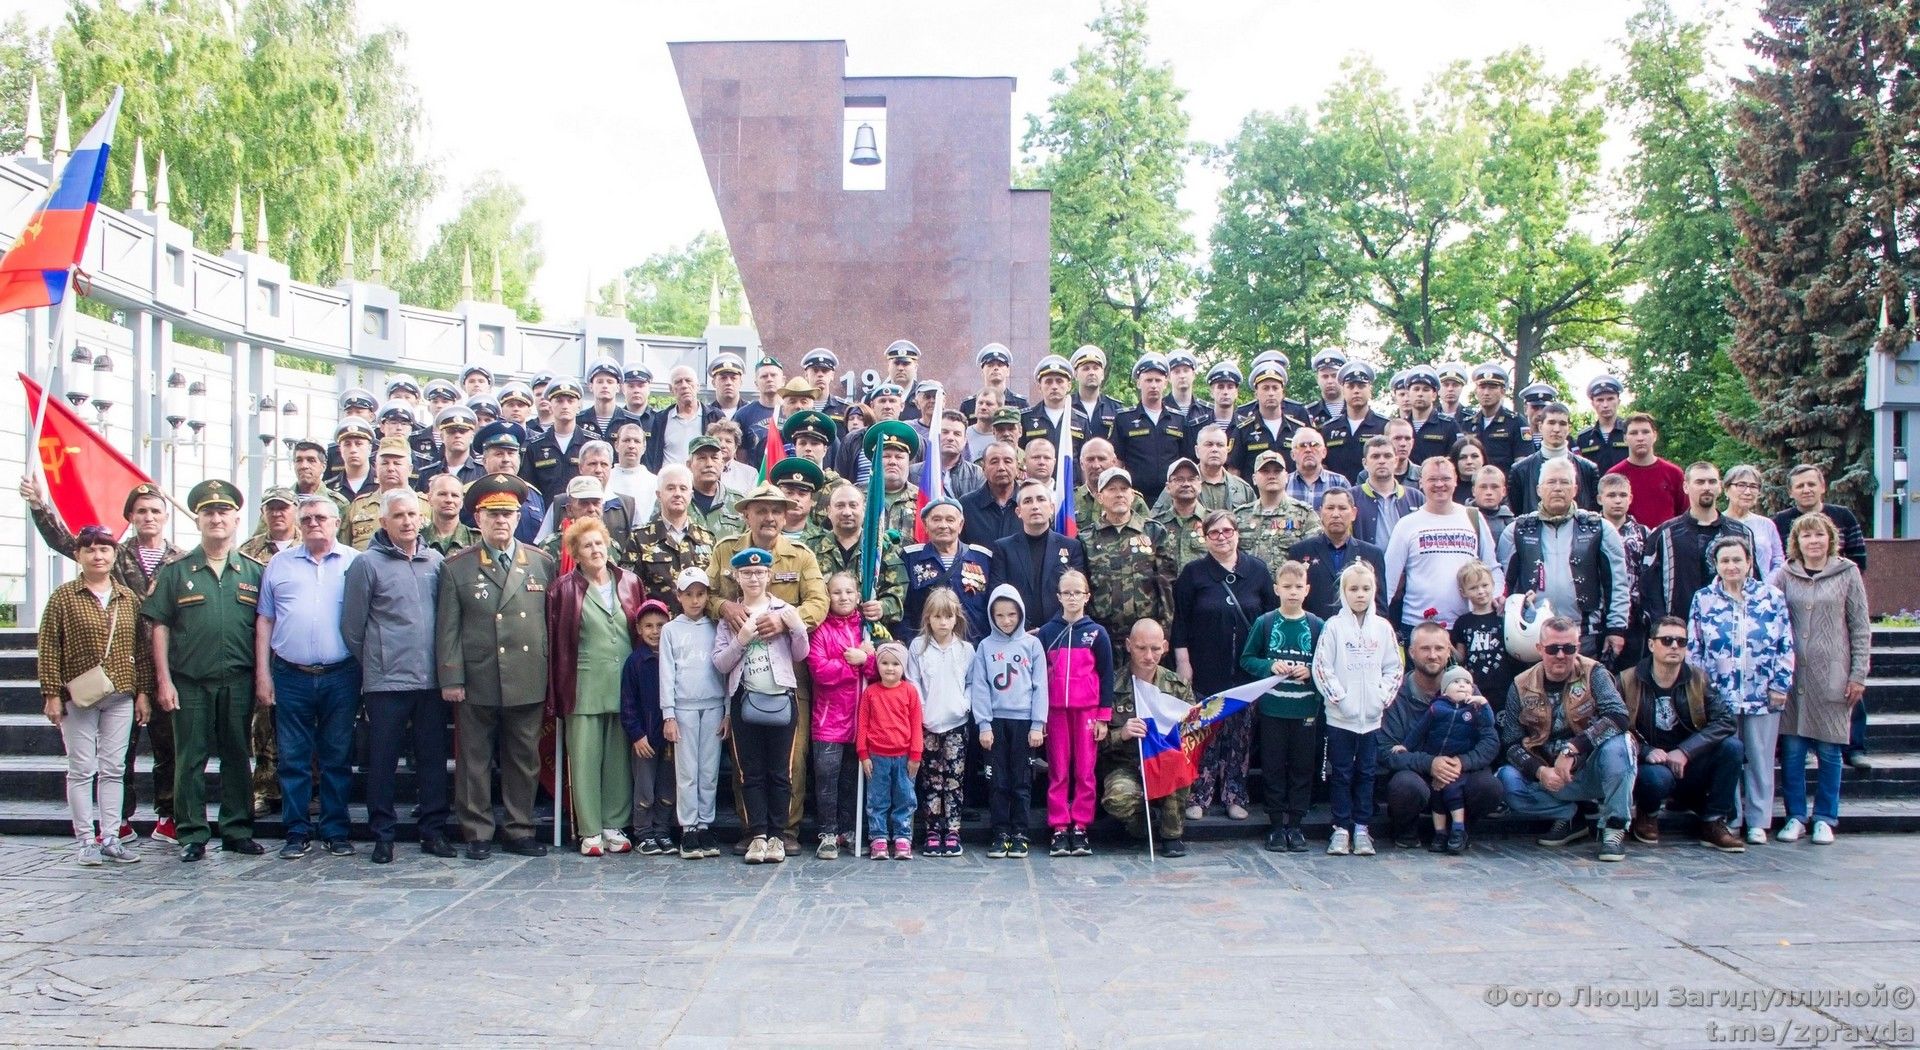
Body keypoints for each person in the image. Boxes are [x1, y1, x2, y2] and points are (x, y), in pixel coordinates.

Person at [22, 476, 184, 843]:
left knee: (168, 746)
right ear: (130, 516)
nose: (148, 517)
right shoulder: (113, 552)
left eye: (155, 511)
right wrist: (39, 506)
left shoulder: (181, 560)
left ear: (166, 516)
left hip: (164, 666)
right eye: (141, 511)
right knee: (119, 753)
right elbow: (65, 540)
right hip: (117, 671)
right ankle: (120, 821)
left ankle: (168, 815)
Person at [140, 480, 267, 862]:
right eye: (209, 512)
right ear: (197, 519)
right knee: (189, 759)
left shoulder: (253, 571)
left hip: (238, 680)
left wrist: (263, 676)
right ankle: (192, 833)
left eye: (223, 512)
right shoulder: (177, 571)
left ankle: (236, 829)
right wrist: (163, 680)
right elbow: (159, 627)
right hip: (189, 681)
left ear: (236, 520)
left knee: (237, 756)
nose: (216, 518)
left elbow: (264, 624)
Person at [436, 472, 555, 860]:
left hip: (527, 676)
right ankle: (477, 831)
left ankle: (520, 829)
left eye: (508, 513)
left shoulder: (541, 563)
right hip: (479, 676)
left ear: (519, 517)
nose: (501, 521)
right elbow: (448, 628)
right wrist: (451, 677)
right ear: (478, 519)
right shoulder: (458, 567)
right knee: (475, 759)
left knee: (524, 758)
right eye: (492, 514)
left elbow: (550, 624)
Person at [706, 484, 829, 856]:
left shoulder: (801, 555)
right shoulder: (726, 549)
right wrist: (724, 607)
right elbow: (706, 593)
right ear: (747, 513)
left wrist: (789, 622)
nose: (770, 517)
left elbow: (818, 601)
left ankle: (784, 830)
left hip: (789, 670)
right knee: (747, 757)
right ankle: (753, 829)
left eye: (777, 510)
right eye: (761, 510)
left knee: (791, 756)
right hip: (740, 669)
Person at [341, 488, 453, 864]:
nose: (407, 522)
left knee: (433, 760)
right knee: (383, 761)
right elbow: (353, 627)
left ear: (421, 518)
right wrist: (378, 661)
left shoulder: (435, 561)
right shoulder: (366, 564)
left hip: (430, 682)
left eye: (412, 515)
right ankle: (382, 835)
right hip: (386, 683)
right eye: (398, 516)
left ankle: (433, 831)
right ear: (383, 522)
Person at [255, 495, 361, 860]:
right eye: (307, 518)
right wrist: (262, 675)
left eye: (321, 517)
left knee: (336, 756)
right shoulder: (278, 565)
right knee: (293, 758)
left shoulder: (356, 563)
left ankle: (335, 830)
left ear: (336, 521)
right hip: (291, 674)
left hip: (342, 674)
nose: (314, 523)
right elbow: (265, 620)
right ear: (299, 525)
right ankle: (295, 832)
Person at [39, 524, 148, 866]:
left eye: (105, 549)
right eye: (90, 549)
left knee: (114, 767)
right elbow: (48, 647)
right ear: (78, 555)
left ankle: (111, 836)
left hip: (120, 693)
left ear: (115, 555)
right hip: (79, 694)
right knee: (82, 768)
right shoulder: (63, 597)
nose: (98, 555)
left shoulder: (127, 598)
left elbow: (141, 649)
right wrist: (51, 693)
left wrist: (143, 692)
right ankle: (86, 839)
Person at [1496, 617, 1636, 862]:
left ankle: (1614, 828)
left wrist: (1574, 749)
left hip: (1591, 767)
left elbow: (1618, 716)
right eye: (1552, 649)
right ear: (1540, 649)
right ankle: (1570, 815)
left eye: (1568, 648)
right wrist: (1539, 771)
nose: (1560, 655)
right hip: (1549, 774)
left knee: (1621, 745)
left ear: (1578, 647)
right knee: (1506, 780)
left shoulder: (1595, 673)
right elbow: (1510, 742)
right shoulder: (1520, 685)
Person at [546, 517, 646, 857]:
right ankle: (589, 830)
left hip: (624, 684)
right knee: (585, 757)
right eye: (587, 545)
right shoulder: (563, 588)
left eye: (599, 543)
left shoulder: (629, 582)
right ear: (575, 552)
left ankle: (613, 825)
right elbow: (557, 642)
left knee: (619, 756)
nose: (595, 550)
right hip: (583, 683)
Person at [1687, 536, 1795, 846]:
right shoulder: (1703, 598)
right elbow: (1695, 648)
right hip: (1721, 695)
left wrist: (1780, 684)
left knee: (1761, 758)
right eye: (1725, 561)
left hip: (1762, 691)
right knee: (1728, 757)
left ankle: (1759, 821)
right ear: (1716, 565)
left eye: (1738, 560)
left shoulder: (1771, 597)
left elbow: (1785, 643)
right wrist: (1701, 691)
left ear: (1749, 562)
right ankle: (1730, 817)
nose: (1732, 566)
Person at [1172, 510, 1279, 822]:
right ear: (1205, 538)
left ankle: (1234, 795)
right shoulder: (1193, 573)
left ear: (1237, 533)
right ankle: (1200, 795)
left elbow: (1270, 619)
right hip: (1206, 667)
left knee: (1241, 735)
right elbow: (1180, 620)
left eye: (1227, 531)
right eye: (1214, 533)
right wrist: (1183, 661)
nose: (1221, 537)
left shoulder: (1257, 570)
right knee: (1207, 734)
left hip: (1246, 671)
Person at [1770, 513, 1870, 845]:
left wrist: (1858, 674)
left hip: (1834, 674)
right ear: (1796, 542)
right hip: (1793, 677)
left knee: (1830, 752)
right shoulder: (1784, 575)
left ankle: (1825, 816)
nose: (1813, 541)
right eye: (1806, 536)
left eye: (1819, 535)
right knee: (1793, 752)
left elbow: (1859, 626)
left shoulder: (1847, 572)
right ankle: (1796, 815)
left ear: (1830, 539)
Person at [712, 547, 811, 866]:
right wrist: (741, 638)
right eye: (746, 573)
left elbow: (800, 654)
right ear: (737, 577)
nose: (753, 577)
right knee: (749, 772)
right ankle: (756, 834)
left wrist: (796, 627)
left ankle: (777, 836)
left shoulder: (783, 609)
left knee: (780, 771)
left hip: (782, 697)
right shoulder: (732, 617)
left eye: (759, 572)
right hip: (744, 700)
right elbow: (720, 664)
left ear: (769, 575)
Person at [1619, 615, 1745, 852]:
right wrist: (1645, 751)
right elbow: (1613, 724)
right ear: (1651, 644)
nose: (1675, 646)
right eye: (1667, 640)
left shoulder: (1698, 679)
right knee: (1655, 778)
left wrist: (1687, 751)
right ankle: (1648, 813)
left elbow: (1726, 721)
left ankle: (1713, 821)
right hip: (1649, 765)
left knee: (1733, 747)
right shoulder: (1628, 680)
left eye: (1681, 641)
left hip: (1689, 763)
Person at [1381, 621, 1505, 849]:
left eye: (1439, 648)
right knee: (1404, 786)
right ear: (1411, 652)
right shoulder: (1396, 693)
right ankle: (1406, 831)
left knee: (1490, 788)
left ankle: (1460, 831)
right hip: (1418, 777)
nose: (1432, 655)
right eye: (1425, 649)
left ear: (1449, 651)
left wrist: (1461, 762)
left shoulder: (1467, 689)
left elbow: (1490, 740)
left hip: (1460, 774)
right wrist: (1430, 763)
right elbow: (1386, 750)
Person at [1311, 561, 1401, 857]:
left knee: (1366, 772)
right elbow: (1322, 668)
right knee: (1342, 773)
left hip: (1371, 720)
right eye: (1354, 589)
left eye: (1366, 589)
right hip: (1341, 719)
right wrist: (1341, 699)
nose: (1360, 595)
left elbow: (1394, 668)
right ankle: (1340, 828)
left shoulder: (1383, 628)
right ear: (1343, 592)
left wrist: (1380, 699)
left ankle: (1362, 827)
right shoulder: (1333, 627)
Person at [1500, 458, 1630, 660]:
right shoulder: (1517, 530)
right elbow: (1503, 585)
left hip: (1586, 633)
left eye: (1565, 482)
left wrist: (1616, 628)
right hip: (1532, 633)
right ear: (1539, 489)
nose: (1558, 488)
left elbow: (1618, 583)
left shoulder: (1600, 528)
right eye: (1551, 482)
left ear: (1575, 488)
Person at [1241, 560, 1323, 853]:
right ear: (1276, 589)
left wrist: (1311, 671)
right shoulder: (1265, 623)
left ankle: (1296, 825)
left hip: (1306, 712)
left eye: (1298, 587)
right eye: (1286, 587)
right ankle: (1276, 825)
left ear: (1307, 589)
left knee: (1302, 768)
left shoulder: (1316, 625)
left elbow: (1327, 666)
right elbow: (1247, 659)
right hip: (1273, 710)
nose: (1292, 592)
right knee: (1273, 768)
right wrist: (1268, 666)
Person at [1095, 620, 1193, 857]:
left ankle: (1172, 834)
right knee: (1119, 797)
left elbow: (1192, 734)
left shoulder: (1177, 687)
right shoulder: (1111, 686)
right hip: (1124, 765)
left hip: (1164, 763)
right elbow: (1093, 743)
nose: (1149, 656)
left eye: (1155, 648)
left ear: (1166, 647)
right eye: (1141, 648)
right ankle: (1143, 826)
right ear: (1128, 645)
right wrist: (1122, 734)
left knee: (1177, 768)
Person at [1034, 569, 1113, 858]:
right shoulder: (1047, 632)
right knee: (1058, 770)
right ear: (1058, 596)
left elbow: (1106, 676)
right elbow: (1039, 677)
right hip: (1055, 712)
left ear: (1087, 596)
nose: (1071, 597)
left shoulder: (1097, 633)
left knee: (1084, 770)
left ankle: (1079, 826)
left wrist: (1104, 716)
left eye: (1077, 592)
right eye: (1066, 592)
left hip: (1087, 712)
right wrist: (1039, 716)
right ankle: (1058, 826)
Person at [972, 585, 1048, 859]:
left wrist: (1038, 724)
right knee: (997, 781)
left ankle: (1020, 833)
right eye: (1000, 615)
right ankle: (1000, 832)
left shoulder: (1031, 645)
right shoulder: (985, 647)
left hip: (1024, 724)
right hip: (995, 724)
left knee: (1021, 781)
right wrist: (984, 724)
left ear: (1020, 614)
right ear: (991, 616)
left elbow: (1041, 686)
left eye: (1012, 614)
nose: (1006, 620)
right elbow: (980, 687)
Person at [1383, 457, 1499, 634]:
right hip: (1418, 625)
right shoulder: (1407, 524)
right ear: (1421, 483)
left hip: (1467, 624)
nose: (1439, 484)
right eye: (1432, 479)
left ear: (1455, 481)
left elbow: (1492, 567)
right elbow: (1388, 579)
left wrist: (1496, 597)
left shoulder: (1473, 518)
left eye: (1445, 478)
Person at [660, 568, 727, 860]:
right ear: (679, 597)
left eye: (700, 594)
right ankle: (688, 827)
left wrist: (727, 710)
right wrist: (669, 714)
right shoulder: (670, 630)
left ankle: (704, 824)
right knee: (687, 771)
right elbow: (666, 672)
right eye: (689, 595)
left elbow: (725, 670)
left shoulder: (717, 626)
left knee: (709, 770)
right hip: (684, 707)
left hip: (713, 705)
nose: (695, 601)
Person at [1391, 666, 1495, 853]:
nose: (1462, 686)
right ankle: (1434, 834)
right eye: (1456, 682)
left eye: (1467, 683)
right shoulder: (1437, 707)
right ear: (1445, 689)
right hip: (1428, 764)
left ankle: (1459, 831)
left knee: (1469, 789)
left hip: (1460, 765)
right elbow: (1419, 731)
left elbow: (1490, 732)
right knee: (1422, 791)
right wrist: (1411, 751)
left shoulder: (1474, 708)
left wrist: (1484, 705)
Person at [806, 573, 874, 860]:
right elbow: (820, 672)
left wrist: (867, 659)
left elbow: (883, 668)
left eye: (849, 591)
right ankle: (827, 832)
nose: (843, 597)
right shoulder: (821, 630)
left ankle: (851, 829)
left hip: (860, 720)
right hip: (829, 721)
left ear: (858, 596)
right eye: (836, 592)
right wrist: (854, 661)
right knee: (826, 779)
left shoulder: (868, 629)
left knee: (851, 779)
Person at [906, 587, 975, 858]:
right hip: (928, 724)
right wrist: (921, 713)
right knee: (932, 780)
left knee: (954, 780)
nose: (943, 622)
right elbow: (913, 683)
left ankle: (953, 830)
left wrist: (964, 705)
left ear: (956, 617)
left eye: (948, 617)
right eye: (937, 617)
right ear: (928, 618)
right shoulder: (918, 648)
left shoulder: (966, 650)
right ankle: (933, 830)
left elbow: (971, 683)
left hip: (957, 723)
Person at [1642, 462, 1754, 624]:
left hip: (1730, 629)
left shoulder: (1741, 533)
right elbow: (1649, 586)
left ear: (1720, 487)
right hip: (1679, 631)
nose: (1707, 487)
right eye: (1700, 482)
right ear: (1686, 487)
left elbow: (1752, 581)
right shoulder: (1665, 535)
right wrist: (1662, 626)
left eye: (1712, 482)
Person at [1082, 468, 1176, 643]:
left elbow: (1166, 585)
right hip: (1103, 636)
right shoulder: (1086, 538)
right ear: (1100, 497)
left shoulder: (1153, 532)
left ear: (1133, 495)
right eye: (1112, 489)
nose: (1119, 494)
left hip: (1145, 637)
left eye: (1124, 489)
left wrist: (1165, 631)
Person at [988, 479, 1090, 629]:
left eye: (1041, 499)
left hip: (1061, 632)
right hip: (1019, 634)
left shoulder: (1072, 546)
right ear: (1018, 512)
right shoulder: (1003, 548)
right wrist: (1023, 629)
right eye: (1028, 501)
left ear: (1052, 508)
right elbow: (999, 595)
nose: (1035, 506)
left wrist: (1050, 629)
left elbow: (1077, 592)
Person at [619, 599, 675, 855]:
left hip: (670, 739)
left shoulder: (674, 658)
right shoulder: (635, 662)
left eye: (661, 625)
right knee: (645, 787)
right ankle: (643, 832)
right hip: (645, 740)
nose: (655, 631)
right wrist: (637, 735)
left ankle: (662, 830)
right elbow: (628, 704)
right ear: (639, 629)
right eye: (649, 626)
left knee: (667, 787)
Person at [858, 642, 924, 861]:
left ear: (903, 666)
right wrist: (863, 754)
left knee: (905, 797)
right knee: (877, 799)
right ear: (878, 665)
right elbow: (863, 725)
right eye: (884, 663)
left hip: (904, 757)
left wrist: (916, 754)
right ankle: (878, 838)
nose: (890, 668)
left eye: (895, 664)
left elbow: (916, 725)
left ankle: (902, 838)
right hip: (877, 757)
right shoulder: (870, 693)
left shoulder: (910, 692)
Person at [900, 499, 993, 644]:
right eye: (936, 520)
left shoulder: (982, 558)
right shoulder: (910, 558)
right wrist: (912, 644)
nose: (943, 526)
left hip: (975, 650)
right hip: (927, 652)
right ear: (925, 524)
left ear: (960, 525)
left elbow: (992, 607)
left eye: (950, 520)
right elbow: (903, 610)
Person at [627, 464, 716, 605]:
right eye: (670, 488)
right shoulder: (639, 538)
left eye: (683, 488)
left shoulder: (707, 539)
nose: (677, 493)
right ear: (658, 495)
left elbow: (715, 590)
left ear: (691, 495)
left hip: (700, 624)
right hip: (659, 624)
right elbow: (629, 591)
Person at [1108, 354, 1188, 506]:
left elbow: (1186, 460)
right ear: (1139, 383)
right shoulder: (1124, 419)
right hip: (1136, 497)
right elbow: (1117, 462)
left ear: (1165, 383)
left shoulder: (1179, 420)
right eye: (1148, 380)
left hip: (1172, 498)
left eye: (1158, 380)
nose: (1153, 385)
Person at [1506, 403, 1600, 515]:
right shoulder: (1520, 470)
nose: (1556, 429)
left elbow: (1593, 513)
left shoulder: (1588, 469)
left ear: (1568, 428)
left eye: (1562, 424)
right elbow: (1517, 513)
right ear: (1540, 427)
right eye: (1551, 423)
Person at [1772, 464, 1868, 573]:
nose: (1806, 490)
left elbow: (1858, 561)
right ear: (1790, 492)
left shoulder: (1844, 516)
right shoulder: (1779, 521)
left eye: (1811, 484)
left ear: (1822, 487)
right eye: (1800, 486)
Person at [1234, 452, 1321, 569]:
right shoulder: (1240, 516)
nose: (1271, 476)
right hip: (1250, 586)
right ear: (1254, 479)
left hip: (1289, 585)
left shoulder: (1304, 515)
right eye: (1265, 471)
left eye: (1277, 471)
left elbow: (1314, 558)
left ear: (1286, 477)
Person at [1450, 563, 1517, 715]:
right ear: (1463, 592)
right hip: (1475, 687)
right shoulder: (1463, 622)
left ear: (1493, 585)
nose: (1481, 591)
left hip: (1504, 686)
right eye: (1473, 588)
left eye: (1484, 585)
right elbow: (1460, 658)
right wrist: (1445, 643)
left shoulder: (1505, 617)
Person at [1604, 413, 1689, 530]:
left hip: (1667, 542)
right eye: (1633, 433)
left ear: (1654, 436)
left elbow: (1685, 515)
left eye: (1645, 432)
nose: (1640, 438)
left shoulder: (1674, 473)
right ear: (1625, 438)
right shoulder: (1614, 475)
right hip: (1628, 543)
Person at [644, 365, 721, 471]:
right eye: (678, 382)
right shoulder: (660, 419)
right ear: (671, 389)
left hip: (702, 483)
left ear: (697, 386)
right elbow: (652, 456)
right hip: (670, 483)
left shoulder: (715, 417)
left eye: (688, 380)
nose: (684, 385)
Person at [1322, 361, 1389, 482]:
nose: (1356, 391)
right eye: (1351, 386)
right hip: (1337, 496)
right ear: (1343, 390)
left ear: (1370, 390)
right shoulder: (1328, 429)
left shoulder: (1384, 426)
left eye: (1361, 386)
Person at [1352, 436, 1423, 547]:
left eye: (1387, 456)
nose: (1382, 461)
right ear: (1365, 463)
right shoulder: (1351, 497)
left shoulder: (1415, 496)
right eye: (1375, 456)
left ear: (1395, 461)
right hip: (1365, 562)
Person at [1455, 363, 1529, 470]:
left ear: (1502, 392)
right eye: (1482, 387)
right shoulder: (1467, 423)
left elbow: (1523, 464)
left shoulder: (1516, 422)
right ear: (1476, 391)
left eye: (1492, 388)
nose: (1486, 393)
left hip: (1504, 484)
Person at [1722, 464, 1785, 579]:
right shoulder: (1717, 523)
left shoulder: (1766, 524)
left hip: (1762, 592)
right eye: (1741, 485)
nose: (1748, 492)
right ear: (1726, 490)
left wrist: (1766, 586)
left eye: (1753, 486)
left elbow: (1778, 561)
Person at [1019, 355, 1091, 453]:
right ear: (1039, 387)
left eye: (1059, 381)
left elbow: (1085, 456)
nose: (1054, 386)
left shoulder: (1081, 420)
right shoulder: (1025, 418)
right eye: (1048, 381)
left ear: (1069, 386)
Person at [1150, 458, 1211, 571]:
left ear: (1200, 485)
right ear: (1168, 487)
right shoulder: (1155, 525)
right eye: (1179, 479)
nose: (1186, 484)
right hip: (1167, 587)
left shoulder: (1213, 522)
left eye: (1191, 479)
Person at [959, 441, 1021, 549]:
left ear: (1017, 467)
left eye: (1007, 461)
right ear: (983, 468)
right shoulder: (967, 505)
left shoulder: (1030, 503)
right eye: (994, 462)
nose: (1001, 467)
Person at [1573, 375, 1630, 475]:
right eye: (1600, 400)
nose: (1605, 405)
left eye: (1610, 399)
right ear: (1593, 404)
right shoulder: (1584, 438)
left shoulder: (1630, 431)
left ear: (1618, 401)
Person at [1190, 425, 1254, 512]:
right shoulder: (1181, 486)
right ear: (1197, 451)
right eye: (1209, 444)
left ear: (1227, 451)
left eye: (1220, 445)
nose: (1214, 449)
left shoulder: (1243, 489)